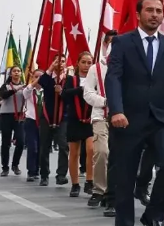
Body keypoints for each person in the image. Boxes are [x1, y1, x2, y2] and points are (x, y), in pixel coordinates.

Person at [105, 0, 164, 226]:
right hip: (127, 119)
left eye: (158, 10)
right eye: (149, 10)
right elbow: (114, 78)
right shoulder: (123, 43)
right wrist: (116, 110)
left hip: (160, 119)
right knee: (125, 179)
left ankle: (152, 215)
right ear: (138, 14)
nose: (154, 14)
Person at [83, 32, 116, 217]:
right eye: (111, 42)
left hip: (123, 117)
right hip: (101, 116)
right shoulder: (96, 68)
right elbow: (87, 93)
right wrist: (105, 101)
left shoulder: (127, 66)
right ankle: (99, 189)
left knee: (118, 156)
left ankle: (114, 192)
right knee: (102, 152)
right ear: (105, 44)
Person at [63, 51, 95, 197]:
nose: (86, 66)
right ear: (78, 63)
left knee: (91, 150)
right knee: (74, 153)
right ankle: (75, 184)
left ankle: (89, 180)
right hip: (75, 119)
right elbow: (64, 95)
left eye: (89, 63)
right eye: (83, 62)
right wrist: (80, 90)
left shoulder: (94, 79)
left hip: (90, 120)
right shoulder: (72, 79)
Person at [38, 54, 70, 187]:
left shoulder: (69, 79)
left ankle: (61, 175)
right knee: (44, 146)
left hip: (63, 116)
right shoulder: (48, 78)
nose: (60, 63)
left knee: (63, 145)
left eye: (63, 61)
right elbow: (41, 83)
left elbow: (71, 96)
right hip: (47, 116)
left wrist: (61, 91)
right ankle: (44, 175)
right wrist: (50, 68)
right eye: (57, 61)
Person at [0, 66, 26, 176]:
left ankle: (15, 164)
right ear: (10, 74)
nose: (17, 73)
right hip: (6, 115)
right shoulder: (6, 86)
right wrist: (15, 90)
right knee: (5, 142)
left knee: (21, 141)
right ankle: (5, 167)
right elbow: (2, 95)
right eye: (14, 71)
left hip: (19, 116)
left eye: (18, 71)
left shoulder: (24, 86)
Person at [23, 70, 43, 182]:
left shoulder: (46, 90)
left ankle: (37, 169)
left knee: (41, 148)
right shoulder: (30, 90)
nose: (38, 79)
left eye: (40, 77)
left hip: (43, 122)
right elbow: (26, 92)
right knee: (33, 147)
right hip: (31, 120)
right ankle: (31, 171)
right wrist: (35, 82)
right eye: (36, 77)